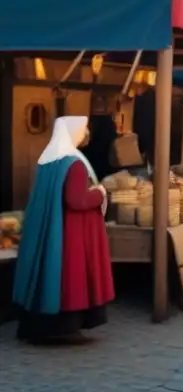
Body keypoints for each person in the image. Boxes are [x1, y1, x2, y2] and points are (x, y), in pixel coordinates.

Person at [13, 116, 115, 343]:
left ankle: (38, 326)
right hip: (70, 234)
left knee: (48, 275)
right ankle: (64, 328)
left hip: (51, 230)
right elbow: (76, 200)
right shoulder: (74, 164)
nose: (85, 133)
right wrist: (99, 193)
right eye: (82, 130)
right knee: (69, 278)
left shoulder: (48, 159)